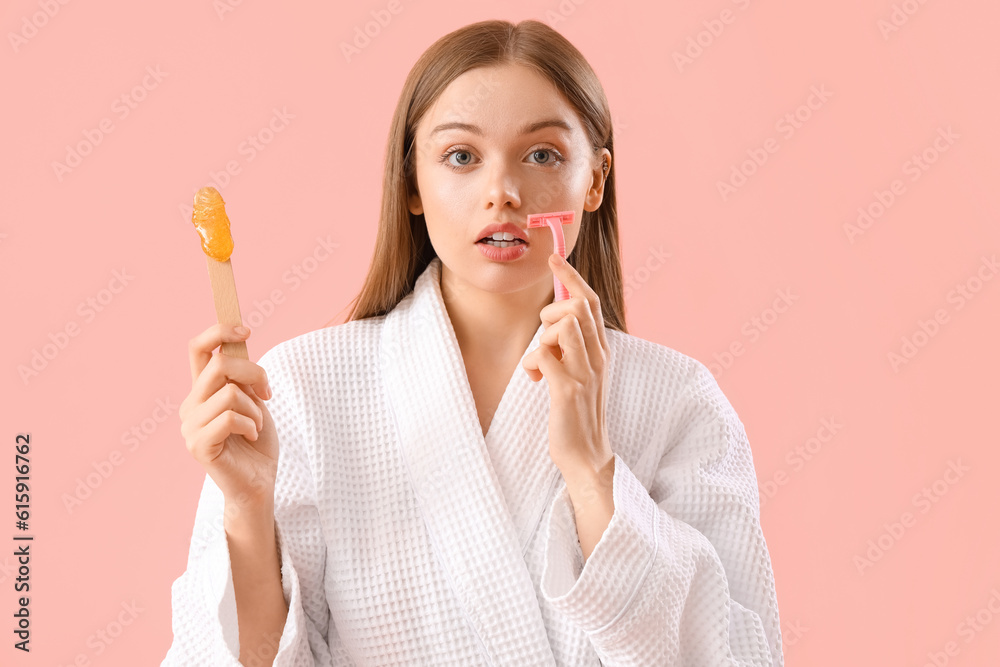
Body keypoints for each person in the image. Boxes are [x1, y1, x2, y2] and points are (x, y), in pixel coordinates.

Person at [163, 19, 783, 667]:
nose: (503, 192)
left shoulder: (678, 402)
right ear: (411, 183)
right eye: (461, 156)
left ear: (595, 180)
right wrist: (246, 503)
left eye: (541, 154)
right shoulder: (302, 388)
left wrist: (594, 473)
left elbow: (741, 656)